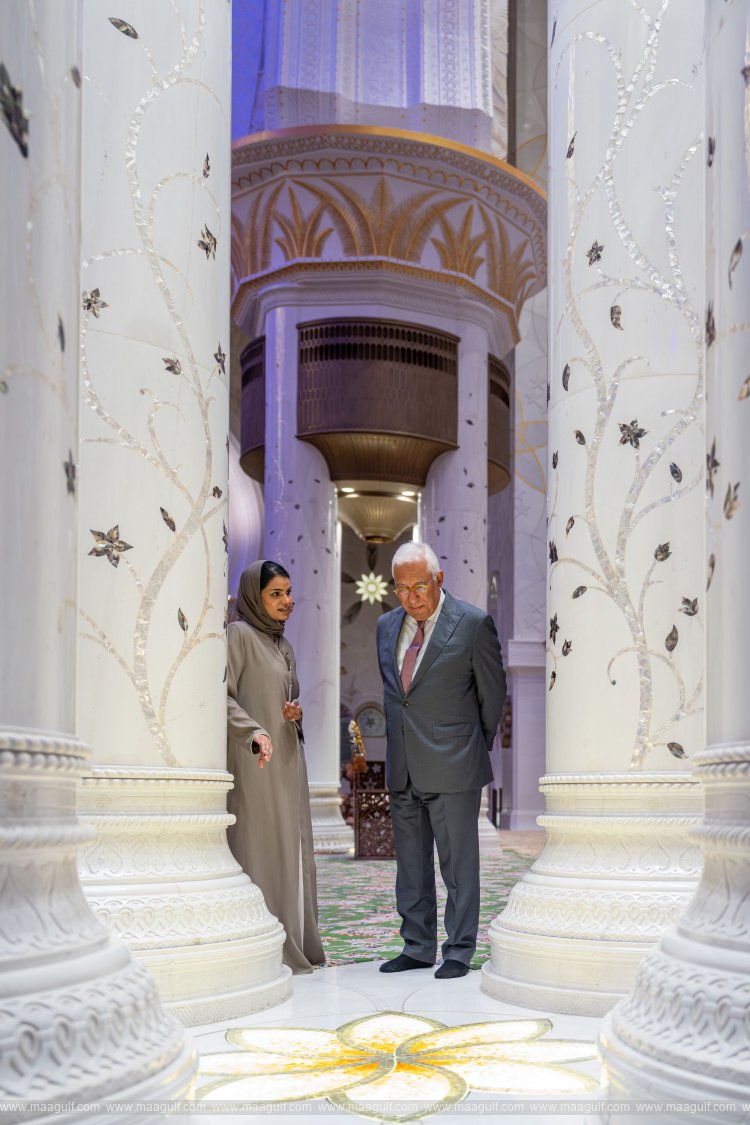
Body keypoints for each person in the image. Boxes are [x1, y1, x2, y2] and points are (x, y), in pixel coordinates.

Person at [376, 542, 506, 979]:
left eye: (420, 586)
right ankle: (416, 946)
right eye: (401, 588)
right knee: (410, 867)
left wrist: (471, 746)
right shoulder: (385, 626)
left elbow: (492, 696)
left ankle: (459, 950)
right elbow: (397, 697)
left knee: (458, 866)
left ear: (439, 579)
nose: (411, 597)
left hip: (455, 763)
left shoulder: (472, 624)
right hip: (403, 765)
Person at [226, 560, 325, 974]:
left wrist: (294, 712)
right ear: (255, 596)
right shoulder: (238, 636)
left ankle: (295, 940)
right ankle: (263, 942)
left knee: (292, 850)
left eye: (289, 592)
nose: (287, 601)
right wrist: (252, 731)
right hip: (256, 760)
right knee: (262, 847)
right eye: (276, 594)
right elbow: (222, 695)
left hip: (286, 755)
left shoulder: (282, 644)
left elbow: (286, 696)